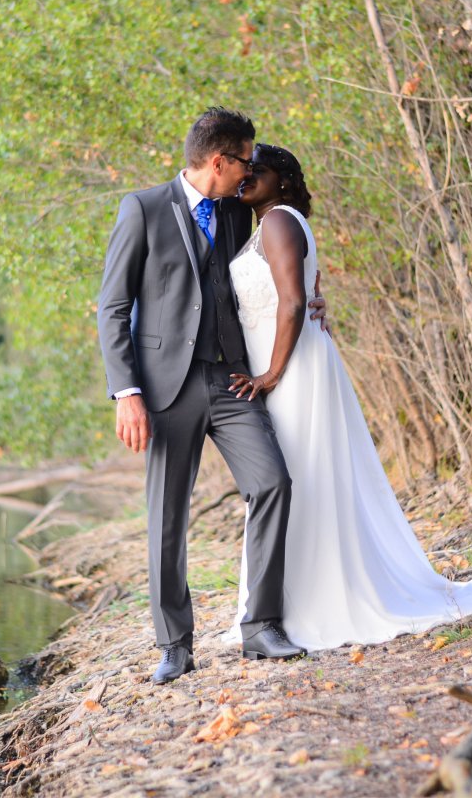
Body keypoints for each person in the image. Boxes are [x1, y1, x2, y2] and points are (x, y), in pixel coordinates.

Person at [226, 144, 472, 651]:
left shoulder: (280, 222)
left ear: (281, 179)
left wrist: (270, 374)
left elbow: (291, 302)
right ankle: (280, 604)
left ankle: (311, 603)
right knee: (294, 479)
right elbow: (300, 291)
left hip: (290, 370)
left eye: (254, 170)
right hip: (291, 361)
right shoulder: (266, 226)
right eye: (241, 169)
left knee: (301, 477)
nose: (244, 177)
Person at [97, 109, 327, 684]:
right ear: (219, 161)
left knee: (271, 482)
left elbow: (276, 266)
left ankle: (261, 627)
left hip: (230, 380)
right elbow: (113, 307)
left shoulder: (235, 211)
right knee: (167, 517)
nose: (250, 171)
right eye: (244, 160)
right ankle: (175, 645)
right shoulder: (142, 209)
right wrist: (126, 392)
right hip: (164, 391)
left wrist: (311, 300)